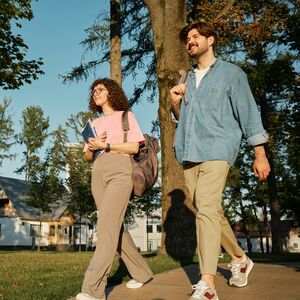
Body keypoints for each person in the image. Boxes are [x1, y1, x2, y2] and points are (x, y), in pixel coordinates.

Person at [169, 22, 271, 300]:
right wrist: (176, 103)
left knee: (205, 208)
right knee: (208, 208)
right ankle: (240, 258)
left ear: (210, 40)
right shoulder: (186, 78)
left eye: (196, 36)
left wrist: (259, 154)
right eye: (187, 38)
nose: (190, 41)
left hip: (218, 148)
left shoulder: (231, 74)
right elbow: (183, 120)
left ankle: (207, 284)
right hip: (190, 151)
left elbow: (248, 113)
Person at [76, 78, 153, 300]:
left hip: (120, 170)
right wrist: (92, 146)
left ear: (112, 93)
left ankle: (92, 289)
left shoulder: (126, 116)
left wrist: (106, 145)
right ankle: (142, 272)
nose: (95, 93)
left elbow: (133, 147)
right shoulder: (95, 124)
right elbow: (87, 157)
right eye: (93, 91)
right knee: (114, 227)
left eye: (100, 89)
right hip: (98, 173)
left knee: (106, 228)